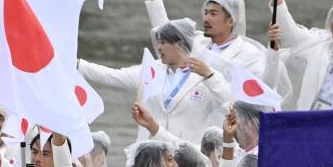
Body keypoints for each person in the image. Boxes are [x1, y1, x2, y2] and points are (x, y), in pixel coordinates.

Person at [78, 19, 231, 145]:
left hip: (186, 156)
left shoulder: (206, 75)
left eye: (163, 42)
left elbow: (229, 106)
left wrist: (210, 76)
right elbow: (112, 76)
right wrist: (78, 64)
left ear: (179, 43)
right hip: (151, 153)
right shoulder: (152, 69)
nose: (158, 48)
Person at [141, 0, 267, 79]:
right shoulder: (196, 42)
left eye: (213, 14)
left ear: (230, 21)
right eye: (205, 13)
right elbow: (166, 33)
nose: (206, 18)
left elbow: (259, 92)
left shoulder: (250, 54)